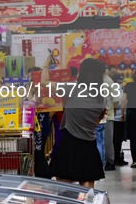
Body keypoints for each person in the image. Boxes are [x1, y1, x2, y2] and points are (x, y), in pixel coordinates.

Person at [45, 57, 106, 189]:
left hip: (69, 144)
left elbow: (44, 82)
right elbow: (96, 123)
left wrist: (46, 65)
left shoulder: (73, 89)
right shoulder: (102, 98)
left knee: (64, 185)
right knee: (88, 187)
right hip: (89, 146)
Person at [121, 69, 136, 168]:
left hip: (131, 113)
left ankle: (135, 161)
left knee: (133, 138)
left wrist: (122, 114)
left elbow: (123, 100)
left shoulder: (128, 85)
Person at [111, 72, 127, 166]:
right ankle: (116, 159)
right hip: (117, 118)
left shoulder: (119, 89)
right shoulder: (117, 89)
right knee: (117, 140)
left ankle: (118, 158)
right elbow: (118, 102)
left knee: (118, 140)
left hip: (119, 117)